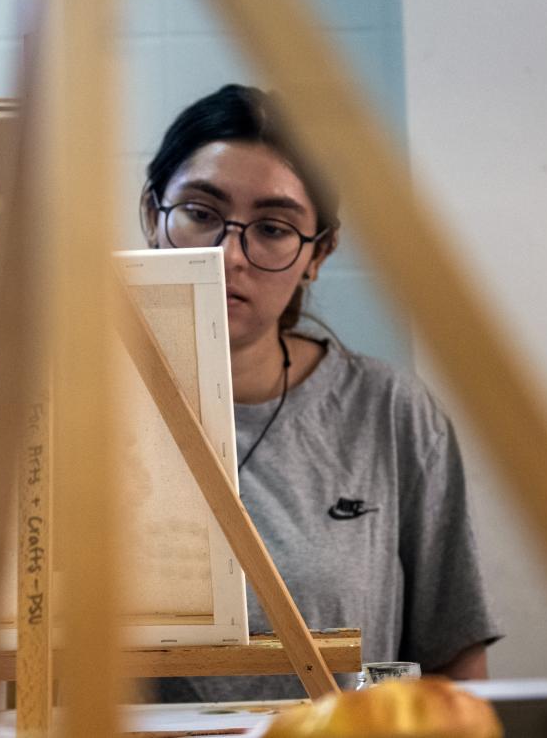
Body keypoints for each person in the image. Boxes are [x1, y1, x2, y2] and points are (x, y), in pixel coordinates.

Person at [139, 84, 502, 701]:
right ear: (153, 215)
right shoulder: (72, 408)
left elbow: (454, 669)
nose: (230, 256)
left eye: (273, 228)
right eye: (201, 213)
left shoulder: (390, 414)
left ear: (319, 253)